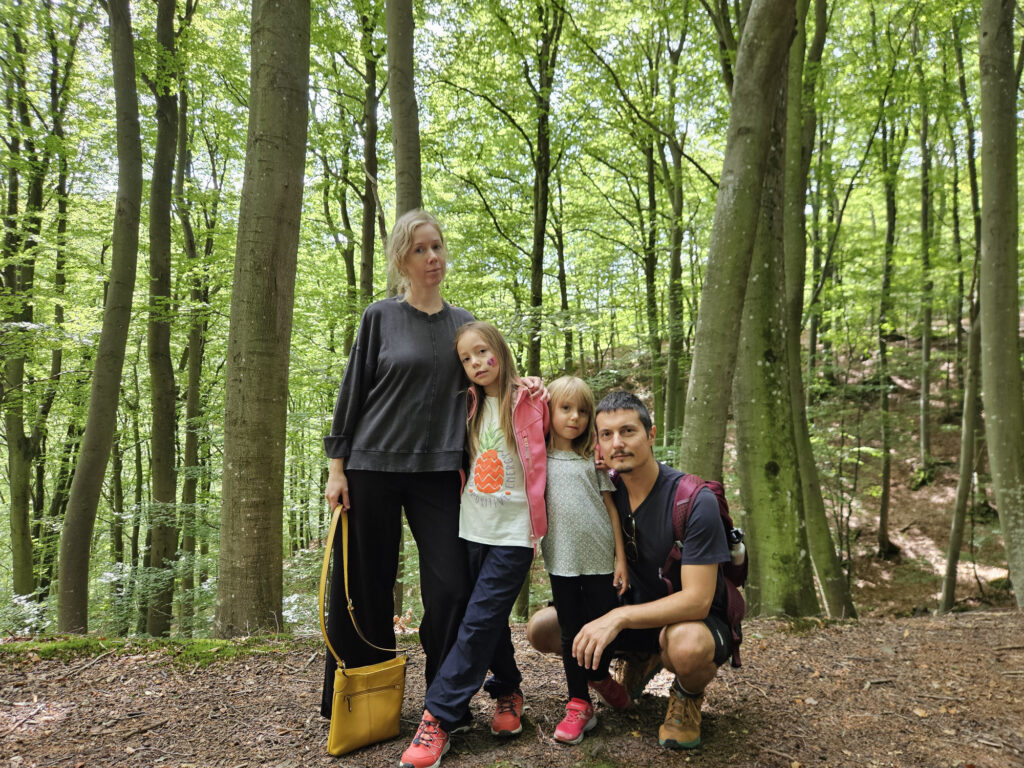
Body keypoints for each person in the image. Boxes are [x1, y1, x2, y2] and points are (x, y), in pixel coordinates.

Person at [320, 209, 474, 719]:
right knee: (364, 588)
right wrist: (336, 468)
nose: (433, 258)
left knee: (452, 583)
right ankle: (365, 708)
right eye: (420, 250)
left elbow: (493, 386)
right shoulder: (379, 317)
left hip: (439, 472)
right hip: (371, 467)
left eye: (437, 247)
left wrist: (532, 391)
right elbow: (352, 393)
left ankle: (444, 699)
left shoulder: (464, 325)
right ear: (401, 261)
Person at [526, 391, 733, 750]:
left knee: (686, 646)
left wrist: (618, 618)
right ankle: (634, 659)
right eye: (606, 434)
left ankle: (686, 694)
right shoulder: (604, 486)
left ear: (651, 435)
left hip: (688, 621)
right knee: (542, 628)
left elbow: (698, 600)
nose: (616, 443)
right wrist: (529, 388)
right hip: (629, 613)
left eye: (628, 431)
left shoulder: (692, 500)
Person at [400, 321, 548, 768]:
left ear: (500, 349)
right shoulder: (466, 405)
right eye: (466, 359)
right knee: (482, 615)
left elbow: (569, 433)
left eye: (483, 352)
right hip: (470, 527)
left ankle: (438, 718)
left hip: (514, 534)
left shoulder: (532, 400)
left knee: (480, 620)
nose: (477, 363)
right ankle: (506, 689)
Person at [540, 376, 631, 744]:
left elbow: (611, 509)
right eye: (565, 408)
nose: (574, 417)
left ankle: (599, 675)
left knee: (604, 624)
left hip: (600, 557)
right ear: (548, 412)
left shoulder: (592, 460)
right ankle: (579, 703)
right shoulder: (537, 461)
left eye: (582, 410)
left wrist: (621, 558)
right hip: (560, 559)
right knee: (570, 630)